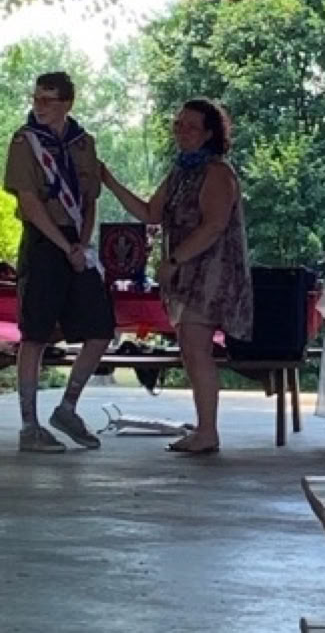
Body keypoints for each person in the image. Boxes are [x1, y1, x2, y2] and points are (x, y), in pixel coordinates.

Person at [101, 97, 253, 454]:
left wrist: (173, 259)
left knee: (197, 350)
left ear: (209, 133)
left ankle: (208, 431)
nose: (182, 132)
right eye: (178, 125)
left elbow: (214, 225)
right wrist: (109, 181)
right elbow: (150, 213)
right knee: (189, 350)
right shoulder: (180, 172)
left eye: (191, 127)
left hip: (211, 271)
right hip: (185, 272)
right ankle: (204, 427)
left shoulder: (217, 172)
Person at [4, 71, 115, 453]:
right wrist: (64, 246)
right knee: (35, 333)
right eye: (36, 98)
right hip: (43, 240)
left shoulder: (84, 143)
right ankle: (29, 425)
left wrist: (81, 244)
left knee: (100, 328)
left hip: (75, 241)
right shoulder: (25, 141)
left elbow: (89, 200)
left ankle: (67, 408)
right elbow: (29, 202)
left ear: (67, 103)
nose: (39, 106)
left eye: (48, 100)